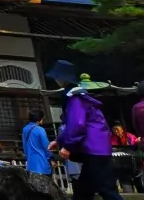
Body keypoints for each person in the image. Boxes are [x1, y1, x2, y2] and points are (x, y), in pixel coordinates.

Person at [45, 60, 123, 200]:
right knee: (83, 191)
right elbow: (73, 124)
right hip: (96, 148)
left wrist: (67, 145)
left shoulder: (75, 98)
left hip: (94, 149)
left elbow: (77, 124)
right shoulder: (78, 97)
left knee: (105, 189)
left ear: (61, 79)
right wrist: (59, 140)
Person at [21, 109, 53, 177]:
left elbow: (25, 147)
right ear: (39, 119)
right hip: (42, 164)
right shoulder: (40, 130)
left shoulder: (25, 129)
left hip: (31, 164)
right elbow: (46, 146)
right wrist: (51, 157)